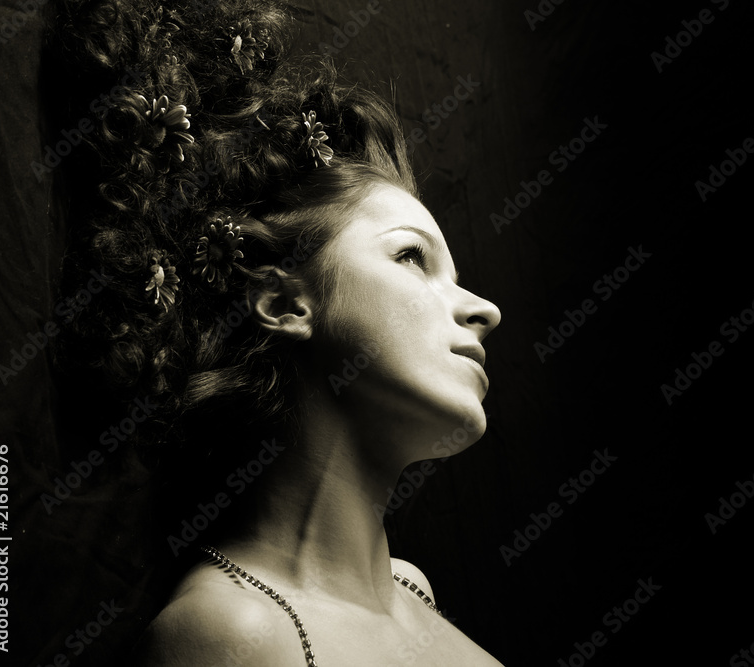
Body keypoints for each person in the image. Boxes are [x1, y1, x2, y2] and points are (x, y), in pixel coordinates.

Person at [49, 0, 503, 664]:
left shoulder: (415, 591)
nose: (482, 308)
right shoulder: (232, 633)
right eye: (411, 258)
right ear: (284, 302)